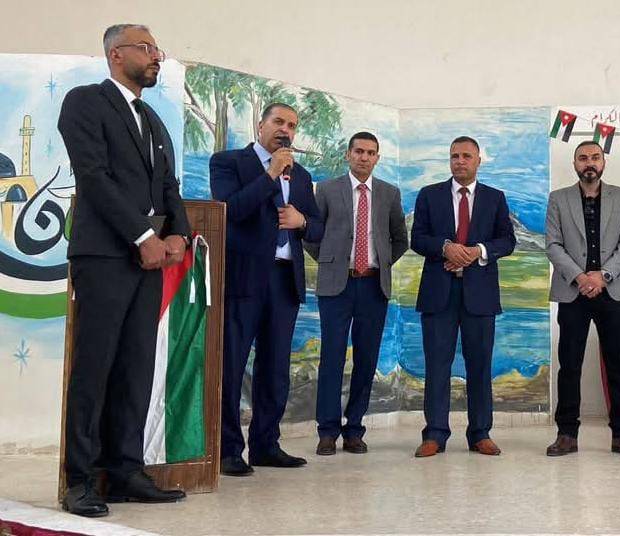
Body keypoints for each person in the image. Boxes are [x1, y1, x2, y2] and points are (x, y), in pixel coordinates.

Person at [59, 23, 190, 516]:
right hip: (105, 256)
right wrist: (142, 237)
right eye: (147, 48)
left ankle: (125, 471)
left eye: (158, 49)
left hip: (151, 259)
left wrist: (177, 234)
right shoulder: (84, 102)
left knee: (137, 366)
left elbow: (169, 186)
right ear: (116, 54)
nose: (157, 56)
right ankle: (80, 480)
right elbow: (93, 177)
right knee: (94, 368)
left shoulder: (152, 119)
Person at [210, 102, 323, 476]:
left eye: (292, 125)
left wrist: (302, 220)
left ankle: (266, 444)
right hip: (243, 278)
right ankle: (228, 450)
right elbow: (229, 209)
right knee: (232, 365)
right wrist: (271, 173)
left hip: (284, 279)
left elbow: (318, 228)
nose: (285, 130)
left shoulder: (302, 176)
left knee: (275, 369)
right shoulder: (228, 162)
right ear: (260, 125)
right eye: (278, 122)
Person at [410, 136, 516, 458]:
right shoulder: (429, 195)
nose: (460, 161)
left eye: (466, 156)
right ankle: (435, 434)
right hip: (438, 295)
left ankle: (480, 433)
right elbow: (417, 238)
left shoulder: (495, 198)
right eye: (455, 156)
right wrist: (445, 247)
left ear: (478, 160)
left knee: (480, 366)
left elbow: (507, 240)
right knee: (437, 366)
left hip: (480, 296)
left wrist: (478, 251)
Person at [304, 132, 408, 455]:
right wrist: (330, 261)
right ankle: (327, 431)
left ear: (377, 158)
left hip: (374, 286)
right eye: (359, 151)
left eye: (370, 152)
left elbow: (399, 239)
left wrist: (381, 264)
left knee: (366, 359)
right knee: (331, 358)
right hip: (336, 286)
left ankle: (354, 429)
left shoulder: (389, 193)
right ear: (348, 154)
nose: (364, 157)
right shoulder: (327, 189)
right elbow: (311, 235)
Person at [544, 140, 620, 457]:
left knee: (618, 364)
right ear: (575, 164)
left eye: (595, 157)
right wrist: (580, 277)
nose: (589, 162)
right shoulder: (558, 198)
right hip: (572, 291)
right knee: (569, 365)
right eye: (583, 158)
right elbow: (553, 244)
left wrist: (603, 276)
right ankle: (566, 434)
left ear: (603, 162)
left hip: (610, 291)